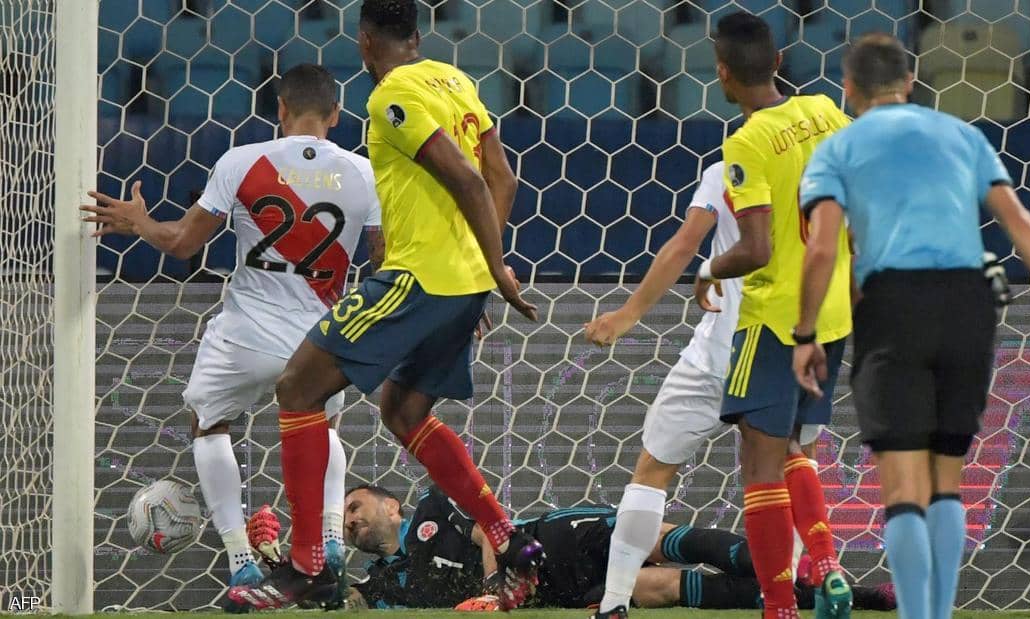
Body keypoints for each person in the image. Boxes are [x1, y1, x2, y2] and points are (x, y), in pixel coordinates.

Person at [227, 0, 542, 611]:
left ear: (365, 40)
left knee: (297, 388)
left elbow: (469, 180)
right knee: (403, 410)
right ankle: (508, 539)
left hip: (417, 278)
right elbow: (502, 177)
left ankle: (308, 567)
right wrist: (483, 270)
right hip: (459, 284)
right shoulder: (456, 81)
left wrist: (497, 270)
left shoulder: (390, 95)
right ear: (417, 35)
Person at [792, 33, 1030, 619]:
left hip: (891, 307)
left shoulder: (837, 149)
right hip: (967, 304)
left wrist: (806, 335)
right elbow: (1020, 223)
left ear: (848, 89)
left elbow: (823, 249)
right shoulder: (961, 135)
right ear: (910, 83)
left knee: (903, 488)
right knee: (947, 480)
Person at [79, 64, 383, 610]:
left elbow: (181, 244)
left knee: (208, 423)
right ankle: (331, 544)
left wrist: (139, 221)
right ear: (337, 115)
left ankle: (242, 558)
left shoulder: (242, 162)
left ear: (280, 110)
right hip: (321, 340)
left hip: (247, 336)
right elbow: (386, 263)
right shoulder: (365, 174)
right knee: (323, 428)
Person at [691, 12, 855, 619]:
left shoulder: (748, 141)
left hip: (774, 319)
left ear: (722, 74)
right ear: (779, 61)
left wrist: (709, 269)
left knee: (759, 464)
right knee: (791, 445)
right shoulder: (826, 112)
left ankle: (779, 608)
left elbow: (756, 249)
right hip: (831, 313)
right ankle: (827, 564)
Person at [239, 484, 894, 611]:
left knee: (662, 543)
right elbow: (338, 601)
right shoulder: (382, 583)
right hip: (552, 591)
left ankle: (817, 573)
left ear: (391, 506)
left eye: (356, 506)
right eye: (346, 518)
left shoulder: (433, 509)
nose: (352, 520)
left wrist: (496, 590)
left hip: (549, 542)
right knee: (660, 587)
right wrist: (278, 568)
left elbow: (490, 530)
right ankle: (824, 599)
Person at [583, 160, 749, 617]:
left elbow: (684, 244)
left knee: (652, 472)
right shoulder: (824, 158)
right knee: (785, 476)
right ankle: (793, 595)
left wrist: (627, 314)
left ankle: (614, 604)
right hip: (782, 350)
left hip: (717, 355)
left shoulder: (733, 163)